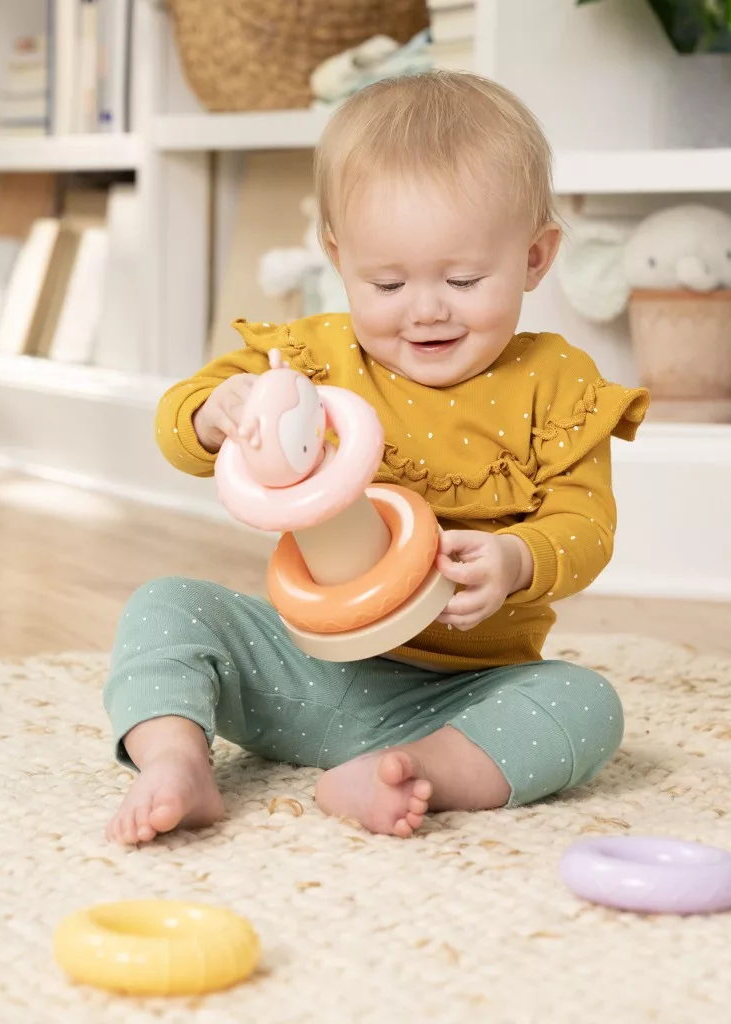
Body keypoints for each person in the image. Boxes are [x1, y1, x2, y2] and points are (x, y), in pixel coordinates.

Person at [104, 70, 650, 846]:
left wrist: (517, 559)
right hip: (302, 666)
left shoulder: (557, 385)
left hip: (462, 693)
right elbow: (176, 432)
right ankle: (176, 762)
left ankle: (411, 769)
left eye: (464, 279)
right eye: (387, 283)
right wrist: (214, 413)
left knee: (586, 705)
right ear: (339, 256)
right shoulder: (312, 358)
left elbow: (586, 524)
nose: (426, 309)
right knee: (165, 605)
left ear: (535, 256)